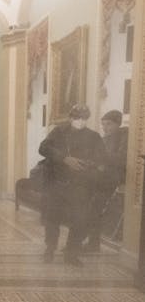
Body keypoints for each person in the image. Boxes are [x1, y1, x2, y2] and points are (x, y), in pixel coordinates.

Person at [38, 104, 105, 265]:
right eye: (76, 118)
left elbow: (102, 159)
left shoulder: (94, 136)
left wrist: (88, 164)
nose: (80, 121)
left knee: (79, 220)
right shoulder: (59, 132)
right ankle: (50, 249)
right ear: (70, 118)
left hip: (80, 185)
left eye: (83, 118)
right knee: (53, 218)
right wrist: (64, 159)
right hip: (57, 182)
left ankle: (71, 253)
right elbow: (43, 148)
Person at [83, 109, 128, 250]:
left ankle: (86, 243)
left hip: (114, 178)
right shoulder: (104, 139)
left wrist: (100, 158)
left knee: (94, 206)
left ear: (117, 124)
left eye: (109, 124)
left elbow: (121, 160)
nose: (105, 127)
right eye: (103, 124)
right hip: (101, 177)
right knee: (85, 203)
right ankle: (87, 242)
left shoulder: (125, 137)